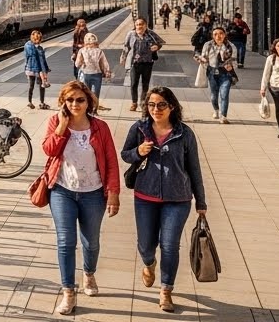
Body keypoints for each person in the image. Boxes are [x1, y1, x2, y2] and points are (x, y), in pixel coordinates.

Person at [120, 86, 208, 313]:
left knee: (169, 245)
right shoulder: (139, 128)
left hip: (178, 198)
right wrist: (138, 151)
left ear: (172, 107)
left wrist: (201, 202)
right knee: (146, 245)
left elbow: (194, 169)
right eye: (151, 105)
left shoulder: (184, 133)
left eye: (161, 105)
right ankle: (149, 264)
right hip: (145, 196)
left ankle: (166, 290)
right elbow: (125, 154)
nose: (155, 109)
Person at [42, 80, 121, 315]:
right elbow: (48, 150)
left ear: (88, 102)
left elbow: (111, 161)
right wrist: (61, 127)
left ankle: (89, 273)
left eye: (80, 100)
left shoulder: (100, 127)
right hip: (62, 190)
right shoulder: (56, 122)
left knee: (91, 242)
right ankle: (68, 292)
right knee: (66, 242)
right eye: (70, 100)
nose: (75, 104)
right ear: (63, 102)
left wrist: (113, 193)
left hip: (94, 193)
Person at [123, 17, 164, 113]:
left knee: (145, 84)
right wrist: (123, 58)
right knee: (134, 84)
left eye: (141, 24)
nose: (139, 26)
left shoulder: (150, 34)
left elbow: (160, 42)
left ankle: (143, 103)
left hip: (147, 63)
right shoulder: (131, 34)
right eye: (137, 24)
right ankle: (134, 103)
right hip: (134, 63)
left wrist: (157, 47)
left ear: (145, 25)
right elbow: (126, 46)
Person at [198, 27, 238, 123]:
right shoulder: (208, 45)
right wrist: (201, 59)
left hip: (226, 74)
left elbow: (235, 61)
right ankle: (216, 110)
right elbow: (203, 57)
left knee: (224, 94)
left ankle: (223, 116)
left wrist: (231, 66)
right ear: (212, 36)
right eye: (215, 34)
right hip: (212, 73)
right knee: (213, 95)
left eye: (221, 33)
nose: (218, 36)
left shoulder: (231, 46)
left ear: (224, 35)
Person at [73, 33, 112, 109]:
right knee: (95, 93)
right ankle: (93, 109)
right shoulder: (99, 51)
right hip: (96, 74)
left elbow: (77, 64)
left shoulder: (82, 51)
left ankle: (88, 109)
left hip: (86, 74)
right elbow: (104, 63)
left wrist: (80, 61)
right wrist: (107, 71)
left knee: (86, 93)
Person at [24, 29, 51, 110]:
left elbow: (43, 59)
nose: (38, 41)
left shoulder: (40, 48)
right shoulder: (28, 45)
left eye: (39, 39)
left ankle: (42, 103)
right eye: (36, 39)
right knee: (31, 86)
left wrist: (46, 68)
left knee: (42, 86)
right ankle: (30, 102)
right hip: (31, 69)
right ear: (32, 38)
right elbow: (32, 55)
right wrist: (35, 47)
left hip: (40, 70)